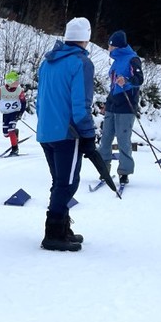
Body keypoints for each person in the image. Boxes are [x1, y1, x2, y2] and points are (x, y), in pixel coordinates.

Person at [36, 17, 97, 252]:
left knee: (60, 182)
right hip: (67, 133)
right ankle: (53, 233)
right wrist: (88, 134)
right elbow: (81, 105)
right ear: (86, 38)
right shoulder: (80, 63)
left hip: (47, 131)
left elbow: (40, 99)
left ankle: (61, 228)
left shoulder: (48, 62)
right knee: (68, 183)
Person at [97, 30, 144, 185]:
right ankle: (104, 170)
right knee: (105, 139)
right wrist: (108, 101)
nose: (108, 48)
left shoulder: (133, 59)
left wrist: (128, 80)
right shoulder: (116, 60)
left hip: (126, 104)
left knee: (123, 140)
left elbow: (139, 79)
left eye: (110, 45)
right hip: (113, 103)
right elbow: (113, 84)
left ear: (116, 46)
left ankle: (124, 172)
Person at [0, 71, 27, 155]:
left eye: (17, 80)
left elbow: (24, 102)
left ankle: (15, 149)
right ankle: (15, 133)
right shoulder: (1, 89)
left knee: (10, 130)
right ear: (10, 82)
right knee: (6, 134)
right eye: (15, 81)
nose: (17, 82)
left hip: (15, 113)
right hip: (6, 114)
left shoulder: (19, 90)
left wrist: (20, 113)